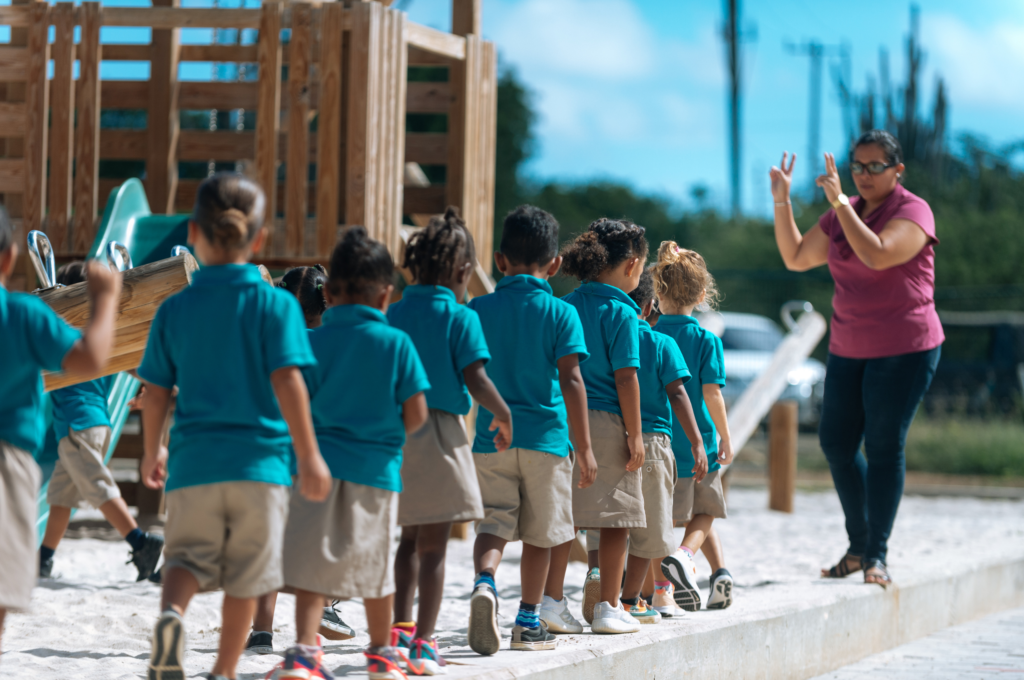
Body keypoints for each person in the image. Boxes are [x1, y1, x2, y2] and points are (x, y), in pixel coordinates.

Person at [138, 173, 332, 680]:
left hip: (193, 461)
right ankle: (223, 671)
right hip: (260, 467)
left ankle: (172, 618)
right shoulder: (277, 306)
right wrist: (309, 454)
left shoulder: (175, 308)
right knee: (247, 577)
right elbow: (288, 381)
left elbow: (156, 391)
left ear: (194, 234)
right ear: (260, 238)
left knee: (183, 560)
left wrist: (152, 450)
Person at [770, 129, 943, 586]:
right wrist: (782, 201)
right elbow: (795, 257)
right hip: (849, 346)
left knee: (884, 445)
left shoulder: (912, 210)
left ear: (897, 170)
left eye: (875, 167)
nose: (864, 176)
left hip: (906, 346)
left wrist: (841, 205)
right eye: (857, 167)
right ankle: (861, 545)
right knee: (836, 443)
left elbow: (879, 254)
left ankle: (874, 554)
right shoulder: (839, 215)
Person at [277, 225, 430, 680]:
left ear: (330, 294)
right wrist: (390, 436)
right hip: (376, 471)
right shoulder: (395, 343)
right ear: (386, 295)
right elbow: (417, 413)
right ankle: (382, 652)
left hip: (315, 471)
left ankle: (305, 652)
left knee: (311, 565)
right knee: (376, 568)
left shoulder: (311, 342)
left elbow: (292, 403)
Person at [387, 207, 511, 674]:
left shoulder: (395, 311)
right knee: (434, 547)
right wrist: (503, 413)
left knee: (406, 539)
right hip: (440, 435)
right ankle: (423, 640)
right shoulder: (460, 317)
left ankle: (399, 628)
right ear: (463, 272)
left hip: (397, 432)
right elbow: (475, 377)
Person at [466, 205, 593, 654]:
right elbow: (573, 380)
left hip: (490, 440)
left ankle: (484, 582)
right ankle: (527, 620)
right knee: (543, 533)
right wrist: (586, 447)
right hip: (547, 442)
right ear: (555, 264)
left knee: (495, 521)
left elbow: (468, 371)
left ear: (499, 260)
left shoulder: (477, 309)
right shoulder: (561, 314)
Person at [0, 208, 122, 656]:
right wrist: (106, 298)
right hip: (7, 459)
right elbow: (90, 358)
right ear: (9, 258)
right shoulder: (23, 313)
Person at [247, 264, 355, 655]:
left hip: (273, 459)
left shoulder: (272, 342)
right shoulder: (331, 345)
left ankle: (261, 631)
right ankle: (324, 605)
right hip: (317, 459)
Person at [548, 218, 649, 635]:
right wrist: (636, 432)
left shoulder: (566, 304)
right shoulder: (622, 312)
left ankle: (552, 601)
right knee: (615, 518)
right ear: (631, 266)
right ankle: (609, 606)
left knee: (563, 517)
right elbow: (627, 377)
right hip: (608, 421)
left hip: (565, 418)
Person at [39, 262, 164, 582]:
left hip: (77, 425)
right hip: (98, 425)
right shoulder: (101, 336)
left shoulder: (66, 335)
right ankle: (44, 558)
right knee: (61, 498)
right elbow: (140, 368)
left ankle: (141, 542)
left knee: (99, 488)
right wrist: (148, 390)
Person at [597, 266, 707, 622]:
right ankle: (632, 599)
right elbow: (677, 393)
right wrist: (696, 443)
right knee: (653, 524)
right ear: (648, 306)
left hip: (615, 434)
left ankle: (605, 585)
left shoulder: (608, 334)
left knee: (615, 520)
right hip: (655, 442)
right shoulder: (662, 343)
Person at [652, 242, 735, 612]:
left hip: (658, 440)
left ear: (657, 291)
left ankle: (699, 579)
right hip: (697, 442)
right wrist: (725, 437)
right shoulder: (707, 341)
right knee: (706, 511)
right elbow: (713, 395)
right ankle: (685, 559)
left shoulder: (647, 335)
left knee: (662, 520)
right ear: (703, 295)